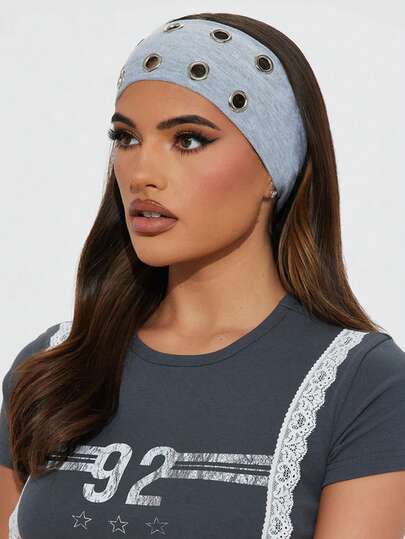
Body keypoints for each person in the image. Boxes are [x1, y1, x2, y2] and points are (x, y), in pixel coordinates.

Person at [1, 11, 405, 539]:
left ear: (274, 167)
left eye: (188, 140)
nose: (142, 173)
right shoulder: (53, 367)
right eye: (126, 138)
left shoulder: (364, 386)